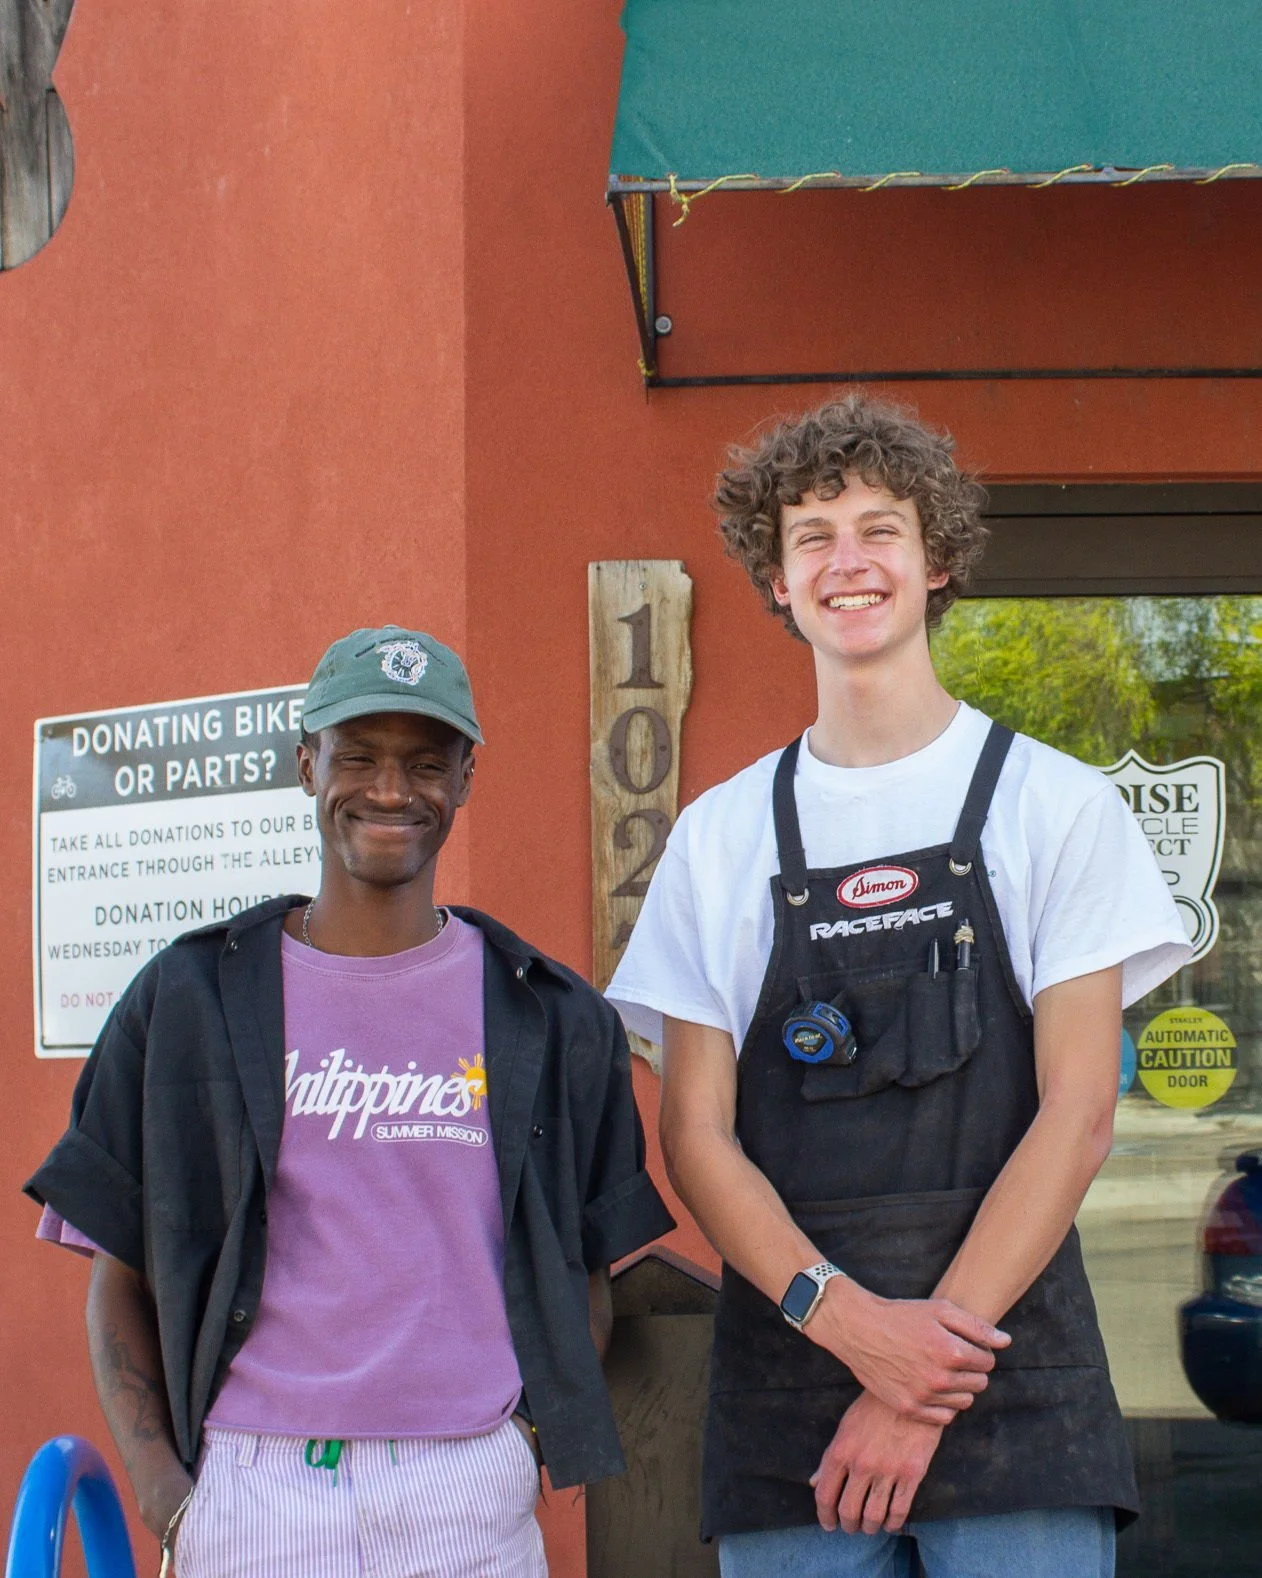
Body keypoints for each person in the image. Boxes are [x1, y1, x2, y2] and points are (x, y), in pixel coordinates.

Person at [607, 396, 1191, 1578]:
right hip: (791, 1381)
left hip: (1009, 1381)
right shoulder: (719, 839)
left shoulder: (1054, 806)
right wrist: (848, 1325)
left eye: (879, 527)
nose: (846, 560)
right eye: (810, 534)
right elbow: (694, 1135)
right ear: (773, 578)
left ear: (936, 563)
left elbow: (1074, 1117)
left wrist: (914, 1380)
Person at [28, 624, 673, 1578]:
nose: (388, 789)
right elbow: (119, 1266)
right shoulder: (189, 1001)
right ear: (305, 765)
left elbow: (582, 1263)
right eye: (357, 755)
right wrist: (168, 1496)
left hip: (467, 1484)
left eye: (425, 762)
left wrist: (522, 1442)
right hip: (252, 1489)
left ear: (464, 781)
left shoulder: (550, 1014)